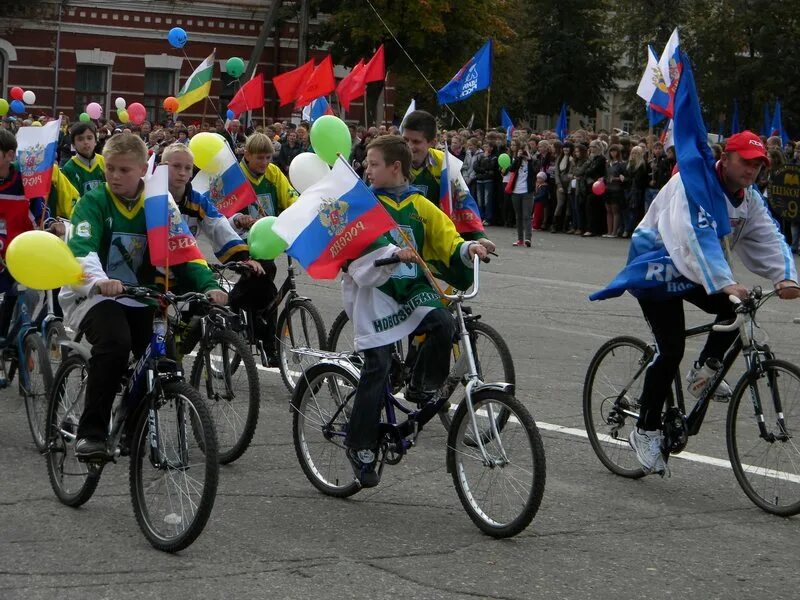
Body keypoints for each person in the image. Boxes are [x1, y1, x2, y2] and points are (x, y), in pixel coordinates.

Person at [595, 131, 799, 476]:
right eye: (746, 162)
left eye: (759, 165)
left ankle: (703, 369)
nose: (752, 171)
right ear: (726, 158)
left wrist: (786, 276)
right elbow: (692, 238)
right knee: (670, 347)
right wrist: (726, 282)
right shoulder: (692, 186)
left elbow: (769, 235)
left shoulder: (748, 199)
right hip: (657, 267)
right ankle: (644, 429)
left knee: (739, 308)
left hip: (699, 270)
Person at [59, 133, 227, 459]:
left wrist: (209, 286)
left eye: (124, 170)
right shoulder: (93, 202)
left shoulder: (158, 202)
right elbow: (81, 249)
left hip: (141, 297)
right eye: (110, 168)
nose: (115, 176)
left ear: (141, 170)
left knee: (163, 361)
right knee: (115, 345)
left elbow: (184, 249)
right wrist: (99, 280)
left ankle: (129, 426)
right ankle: (90, 433)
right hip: (93, 297)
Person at [342, 135, 488, 487]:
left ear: (395, 167)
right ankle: (360, 445)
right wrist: (391, 255)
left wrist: (470, 247)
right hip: (375, 291)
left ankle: (421, 386)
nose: (367, 169)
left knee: (443, 321)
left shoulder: (420, 205)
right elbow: (356, 251)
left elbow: (447, 238)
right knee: (377, 365)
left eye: (374, 163)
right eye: (367, 163)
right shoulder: (363, 205)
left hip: (411, 288)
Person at [230, 132, 299, 366]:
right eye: (260, 158)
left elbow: (291, 199)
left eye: (269, 157)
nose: (265, 162)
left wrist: (301, 213)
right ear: (247, 155)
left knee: (268, 290)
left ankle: (265, 337)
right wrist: (239, 218)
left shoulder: (273, 173)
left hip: (268, 240)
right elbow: (224, 208)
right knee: (264, 278)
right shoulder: (236, 176)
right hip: (240, 240)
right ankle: (238, 314)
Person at [402, 110, 495, 249]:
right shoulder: (392, 161)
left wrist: (479, 236)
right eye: (405, 140)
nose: (409, 146)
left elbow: (463, 200)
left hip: (434, 236)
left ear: (432, 142)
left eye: (416, 141)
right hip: (402, 236)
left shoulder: (446, 164)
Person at [61, 122, 106, 198]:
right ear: (73, 144)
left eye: (89, 138)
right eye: (80, 139)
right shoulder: (69, 169)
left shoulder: (104, 162)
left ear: (95, 141)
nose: (86, 142)